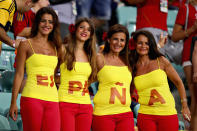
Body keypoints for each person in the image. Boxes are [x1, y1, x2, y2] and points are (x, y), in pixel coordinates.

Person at [9, 7, 62, 131]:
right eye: (43, 21)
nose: (47, 25)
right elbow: (19, 74)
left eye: (50, 22)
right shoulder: (26, 44)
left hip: (53, 99)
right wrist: (13, 102)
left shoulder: (57, 47)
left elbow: (56, 74)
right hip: (32, 98)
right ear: (37, 22)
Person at [129, 30, 190, 131]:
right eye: (140, 43)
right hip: (145, 115)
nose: (143, 46)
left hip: (167, 112)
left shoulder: (161, 61)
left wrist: (185, 106)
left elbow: (179, 83)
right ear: (135, 45)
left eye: (147, 43)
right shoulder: (133, 66)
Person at [92, 24, 135, 131]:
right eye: (115, 39)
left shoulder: (128, 60)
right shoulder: (100, 58)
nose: (118, 43)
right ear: (108, 40)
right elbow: (88, 79)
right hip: (104, 113)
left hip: (125, 113)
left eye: (122, 40)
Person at [58, 17, 97, 131]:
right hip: (65, 103)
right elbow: (51, 72)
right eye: (81, 27)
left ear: (91, 34)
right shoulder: (63, 50)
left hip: (85, 105)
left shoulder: (91, 54)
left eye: (89, 29)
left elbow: (91, 78)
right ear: (74, 30)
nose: (85, 31)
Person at [171, 0, 197, 129]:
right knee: (195, 94)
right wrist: (192, 29)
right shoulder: (186, 8)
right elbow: (174, 36)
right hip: (190, 53)